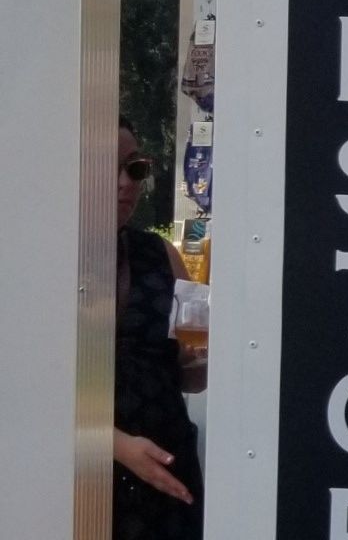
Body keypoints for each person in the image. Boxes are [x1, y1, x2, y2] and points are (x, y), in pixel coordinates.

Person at [113, 121, 206, 539]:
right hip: (79, 476)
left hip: (170, 473)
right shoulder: (33, 259)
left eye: (134, 169)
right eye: (107, 168)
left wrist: (203, 359)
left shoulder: (162, 253)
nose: (124, 184)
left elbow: (190, 372)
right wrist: (112, 445)